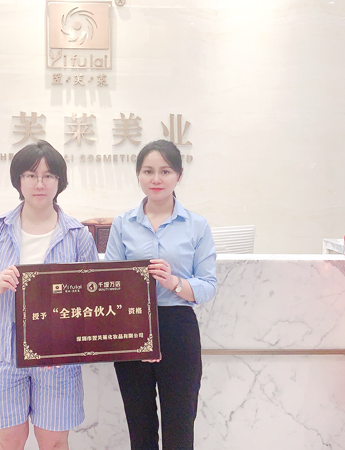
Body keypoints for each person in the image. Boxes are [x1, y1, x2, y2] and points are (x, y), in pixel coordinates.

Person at [0, 140, 98, 450]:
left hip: (58, 355)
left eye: (48, 176)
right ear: (18, 180)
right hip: (2, 349)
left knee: (54, 442)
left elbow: (91, 298)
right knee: (8, 441)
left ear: (60, 182)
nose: (39, 183)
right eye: (31, 175)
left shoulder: (77, 235)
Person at [105, 139, 217, 450]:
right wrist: (140, 329)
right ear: (138, 175)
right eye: (148, 171)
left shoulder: (197, 225)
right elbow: (110, 282)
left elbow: (208, 284)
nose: (156, 179)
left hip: (177, 327)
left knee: (180, 426)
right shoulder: (122, 224)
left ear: (178, 176)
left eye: (165, 171)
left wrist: (174, 283)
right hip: (131, 329)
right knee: (140, 428)